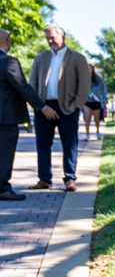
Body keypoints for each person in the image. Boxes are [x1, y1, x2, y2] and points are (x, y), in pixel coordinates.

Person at [26, 25, 89, 192]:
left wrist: (76, 106)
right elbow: (32, 85)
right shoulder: (40, 58)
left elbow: (84, 85)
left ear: (63, 37)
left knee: (69, 144)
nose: (50, 40)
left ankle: (70, 178)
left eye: (52, 37)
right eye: (47, 37)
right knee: (42, 145)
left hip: (67, 109)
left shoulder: (77, 58)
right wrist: (40, 106)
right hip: (44, 107)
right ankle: (44, 179)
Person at [0, 28, 58, 201]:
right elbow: (23, 87)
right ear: (7, 41)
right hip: (6, 117)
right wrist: (42, 107)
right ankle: (2, 188)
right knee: (4, 153)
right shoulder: (8, 61)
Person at [82, 63, 107, 141]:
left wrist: (105, 99)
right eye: (87, 68)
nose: (89, 70)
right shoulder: (83, 79)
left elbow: (103, 89)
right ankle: (87, 135)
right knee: (87, 118)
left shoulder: (98, 79)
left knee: (96, 119)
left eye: (90, 68)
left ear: (93, 69)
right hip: (86, 101)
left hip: (96, 101)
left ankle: (97, 131)